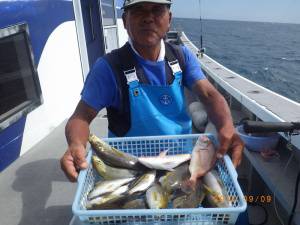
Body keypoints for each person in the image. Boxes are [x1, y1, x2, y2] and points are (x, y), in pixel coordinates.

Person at [60, 0, 244, 182]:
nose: (148, 18)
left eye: (157, 10)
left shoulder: (182, 56)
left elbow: (209, 95)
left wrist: (227, 125)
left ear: (169, 18)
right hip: (129, 171)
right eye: (138, 11)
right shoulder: (108, 67)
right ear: (125, 21)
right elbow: (81, 117)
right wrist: (76, 144)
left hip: (181, 164)